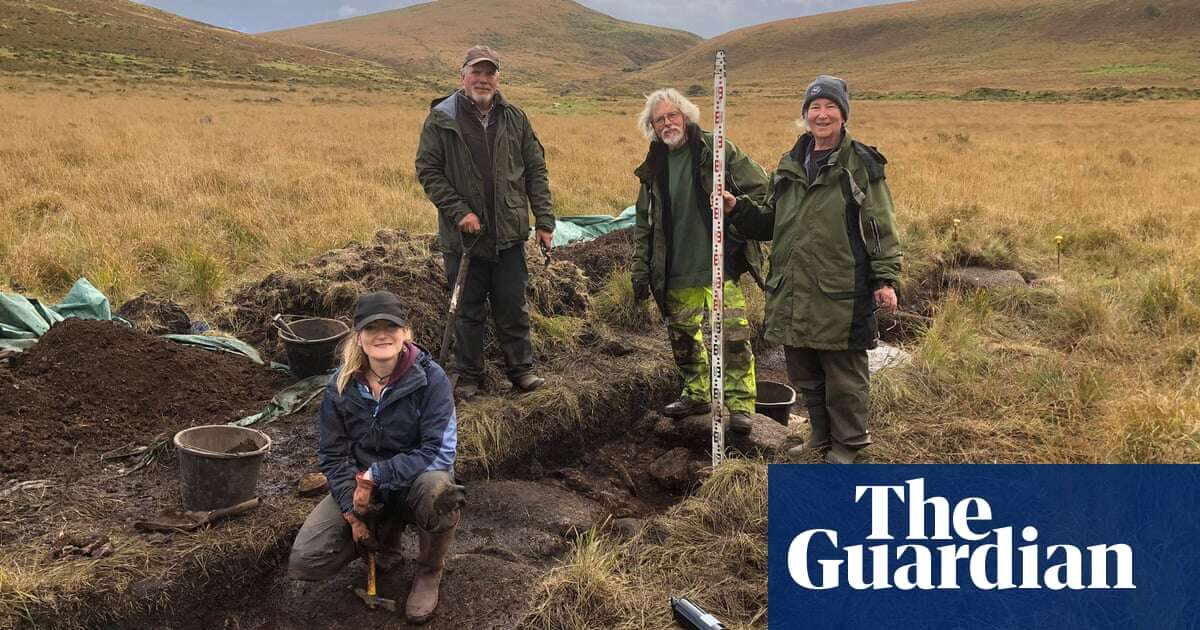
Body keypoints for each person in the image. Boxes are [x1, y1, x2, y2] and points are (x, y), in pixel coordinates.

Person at [723, 75, 902, 463]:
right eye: (814, 108)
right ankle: (820, 436)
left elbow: (878, 225)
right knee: (804, 371)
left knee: (844, 376)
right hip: (793, 289)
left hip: (840, 289)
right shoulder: (790, 164)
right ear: (805, 115)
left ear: (842, 114)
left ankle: (850, 448)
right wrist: (739, 209)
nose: (821, 115)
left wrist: (885, 277)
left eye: (829, 108)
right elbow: (769, 222)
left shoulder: (861, 164)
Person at [288, 291, 466, 624]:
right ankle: (385, 538)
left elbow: (437, 452)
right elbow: (332, 454)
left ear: (405, 333)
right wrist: (351, 512)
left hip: (413, 481)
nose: (382, 334)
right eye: (372, 328)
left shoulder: (432, 380)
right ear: (358, 336)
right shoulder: (340, 386)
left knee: (439, 491)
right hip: (364, 488)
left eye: (391, 326)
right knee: (307, 560)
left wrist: (375, 476)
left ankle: (428, 571)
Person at [415, 45, 555, 401]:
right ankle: (469, 376)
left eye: (489, 73)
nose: (483, 79)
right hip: (464, 238)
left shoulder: (515, 118)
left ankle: (522, 371)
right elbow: (428, 171)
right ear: (462, 76)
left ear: (498, 78)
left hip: (508, 232)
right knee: (467, 309)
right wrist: (459, 211)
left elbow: (535, 170)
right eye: (476, 72)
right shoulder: (441, 117)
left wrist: (544, 220)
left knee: (512, 305)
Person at [631, 88, 770, 434]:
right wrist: (641, 268)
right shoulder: (654, 166)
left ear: (686, 116)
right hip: (674, 268)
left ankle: (740, 405)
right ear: (652, 126)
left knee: (734, 337)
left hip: (721, 262)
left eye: (672, 116)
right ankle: (696, 393)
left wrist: (734, 206)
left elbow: (762, 187)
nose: (667, 123)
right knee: (683, 338)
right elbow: (643, 223)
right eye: (659, 119)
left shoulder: (717, 149)